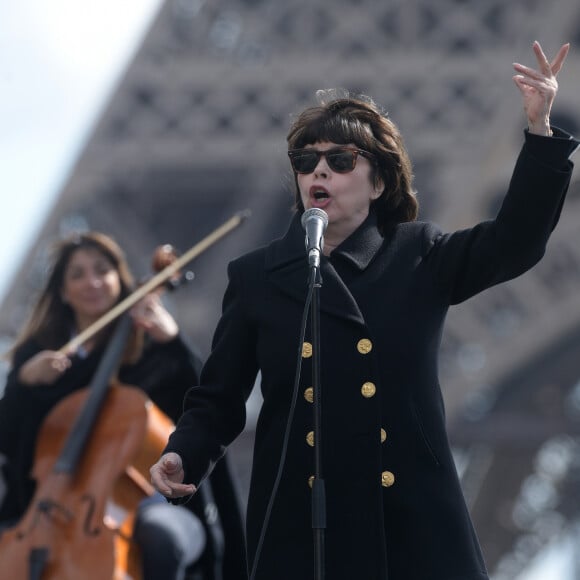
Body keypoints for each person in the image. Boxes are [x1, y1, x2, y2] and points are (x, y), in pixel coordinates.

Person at [150, 41, 579, 580]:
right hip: (301, 519)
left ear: (378, 181)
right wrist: (184, 452)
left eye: (340, 160)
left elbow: (514, 241)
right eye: (306, 161)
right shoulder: (256, 276)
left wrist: (540, 135)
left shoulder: (419, 255)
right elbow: (219, 397)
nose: (318, 172)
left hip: (409, 515)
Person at [0, 231, 246, 580]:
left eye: (102, 270)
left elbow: (205, 407)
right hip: (50, 509)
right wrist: (25, 383)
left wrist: (174, 344)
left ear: (120, 278)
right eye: (78, 274)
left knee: (161, 538)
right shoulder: (40, 354)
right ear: (62, 292)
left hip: (147, 500)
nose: (93, 282)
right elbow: (7, 440)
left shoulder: (149, 346)